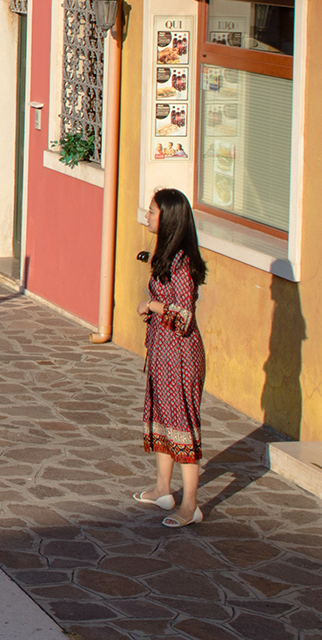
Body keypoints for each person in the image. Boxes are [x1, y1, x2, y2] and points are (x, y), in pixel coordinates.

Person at [137, 187, 209, 526]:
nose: (148, 216)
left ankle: (190, 505)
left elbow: (184, 316)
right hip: (162, 353)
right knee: (163, 419)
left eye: (153, 211)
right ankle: (163, 489)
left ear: (168, 218)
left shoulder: (182, 263)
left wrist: (151, 305)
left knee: (181, 424)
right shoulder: (167, 256)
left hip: (179, 357)